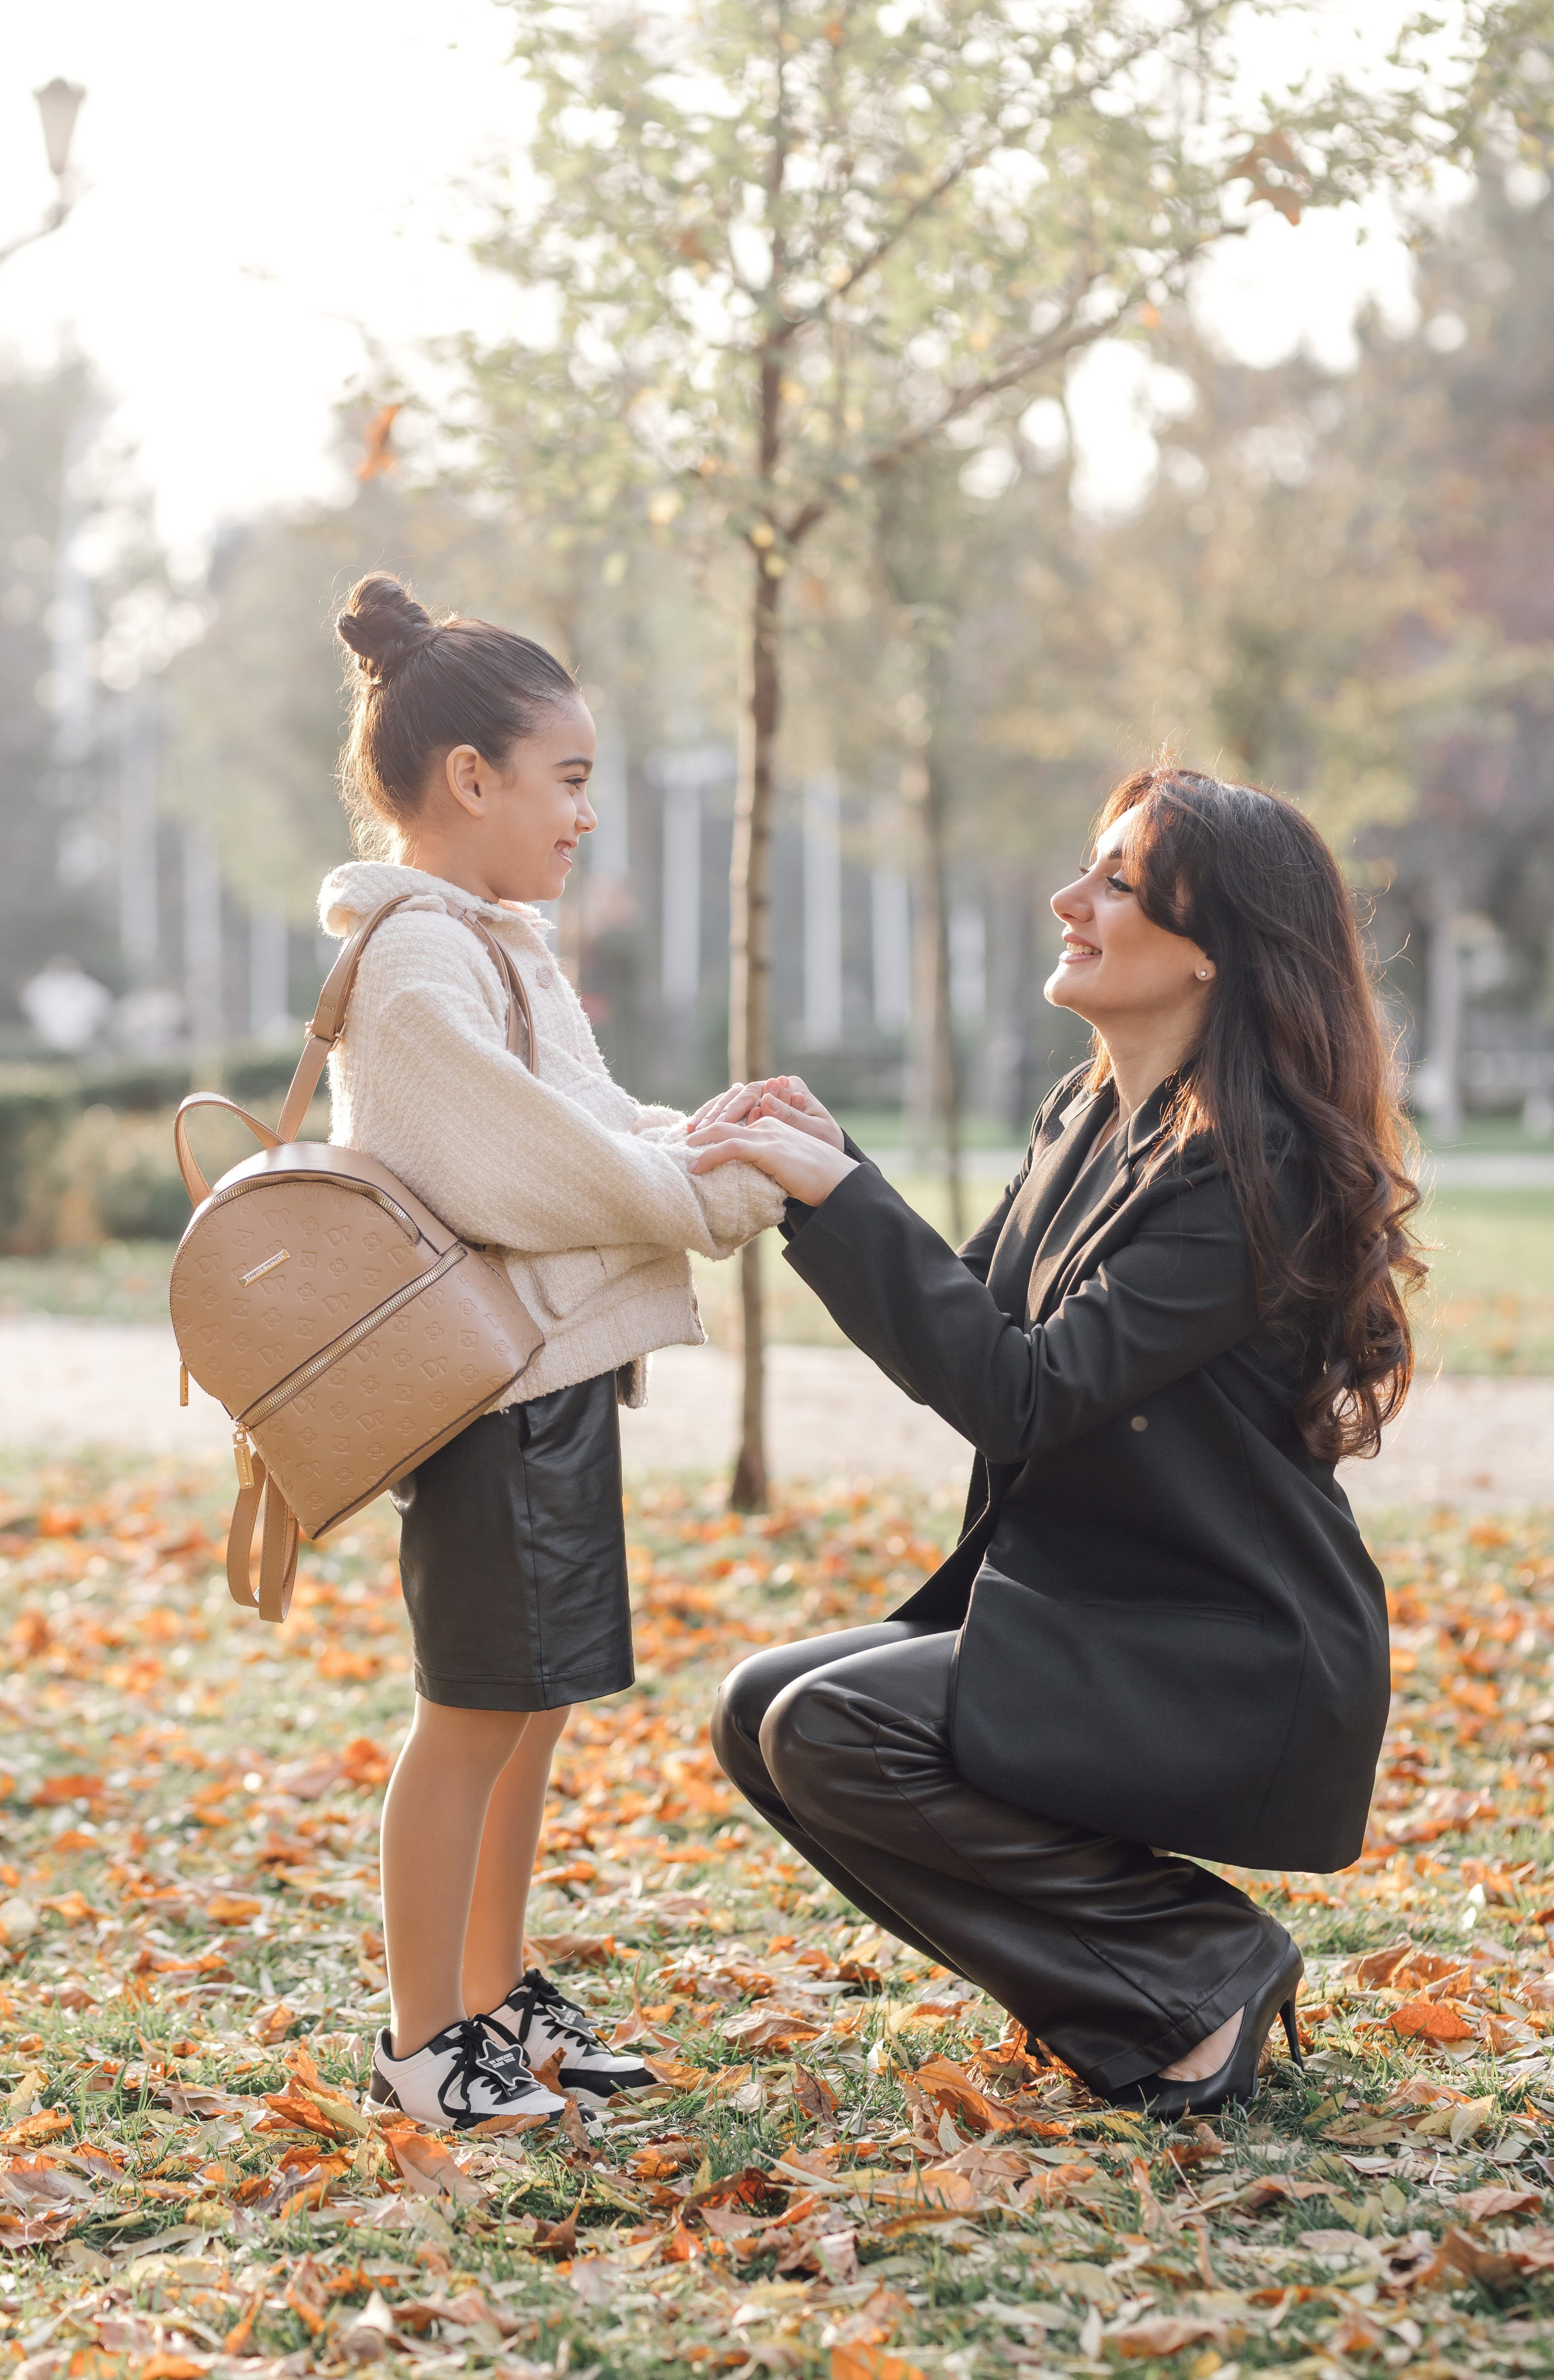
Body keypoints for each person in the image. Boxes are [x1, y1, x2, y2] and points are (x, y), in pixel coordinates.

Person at [689, 768, 1424, 2115]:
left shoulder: (1251, 1170)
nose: (1066, 900)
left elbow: (1021, 1393)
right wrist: (824, 1159)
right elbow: (967, 1323)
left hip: (1228, 1649)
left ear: (1212, 947)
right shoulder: (1084, 1114)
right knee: (757, 1712)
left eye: (1115, 882)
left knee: (836, 1726)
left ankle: (1194, 1966)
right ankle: (1143, 1992)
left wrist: (838, 1193)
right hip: (1104, 1617)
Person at [319, 574, 783, 2129]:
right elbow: (520, 1162)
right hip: (481, 1397)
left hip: (548, 1379)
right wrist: (702, 1191)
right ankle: (422, 2037)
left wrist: (700, 1133)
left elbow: (589, 1119)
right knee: (469, 1713)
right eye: (567, 778)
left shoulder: (493, 942)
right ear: (472, 778)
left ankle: (494, 1991)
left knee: (534, 1700)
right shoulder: (417, 961)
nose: (582, 815)